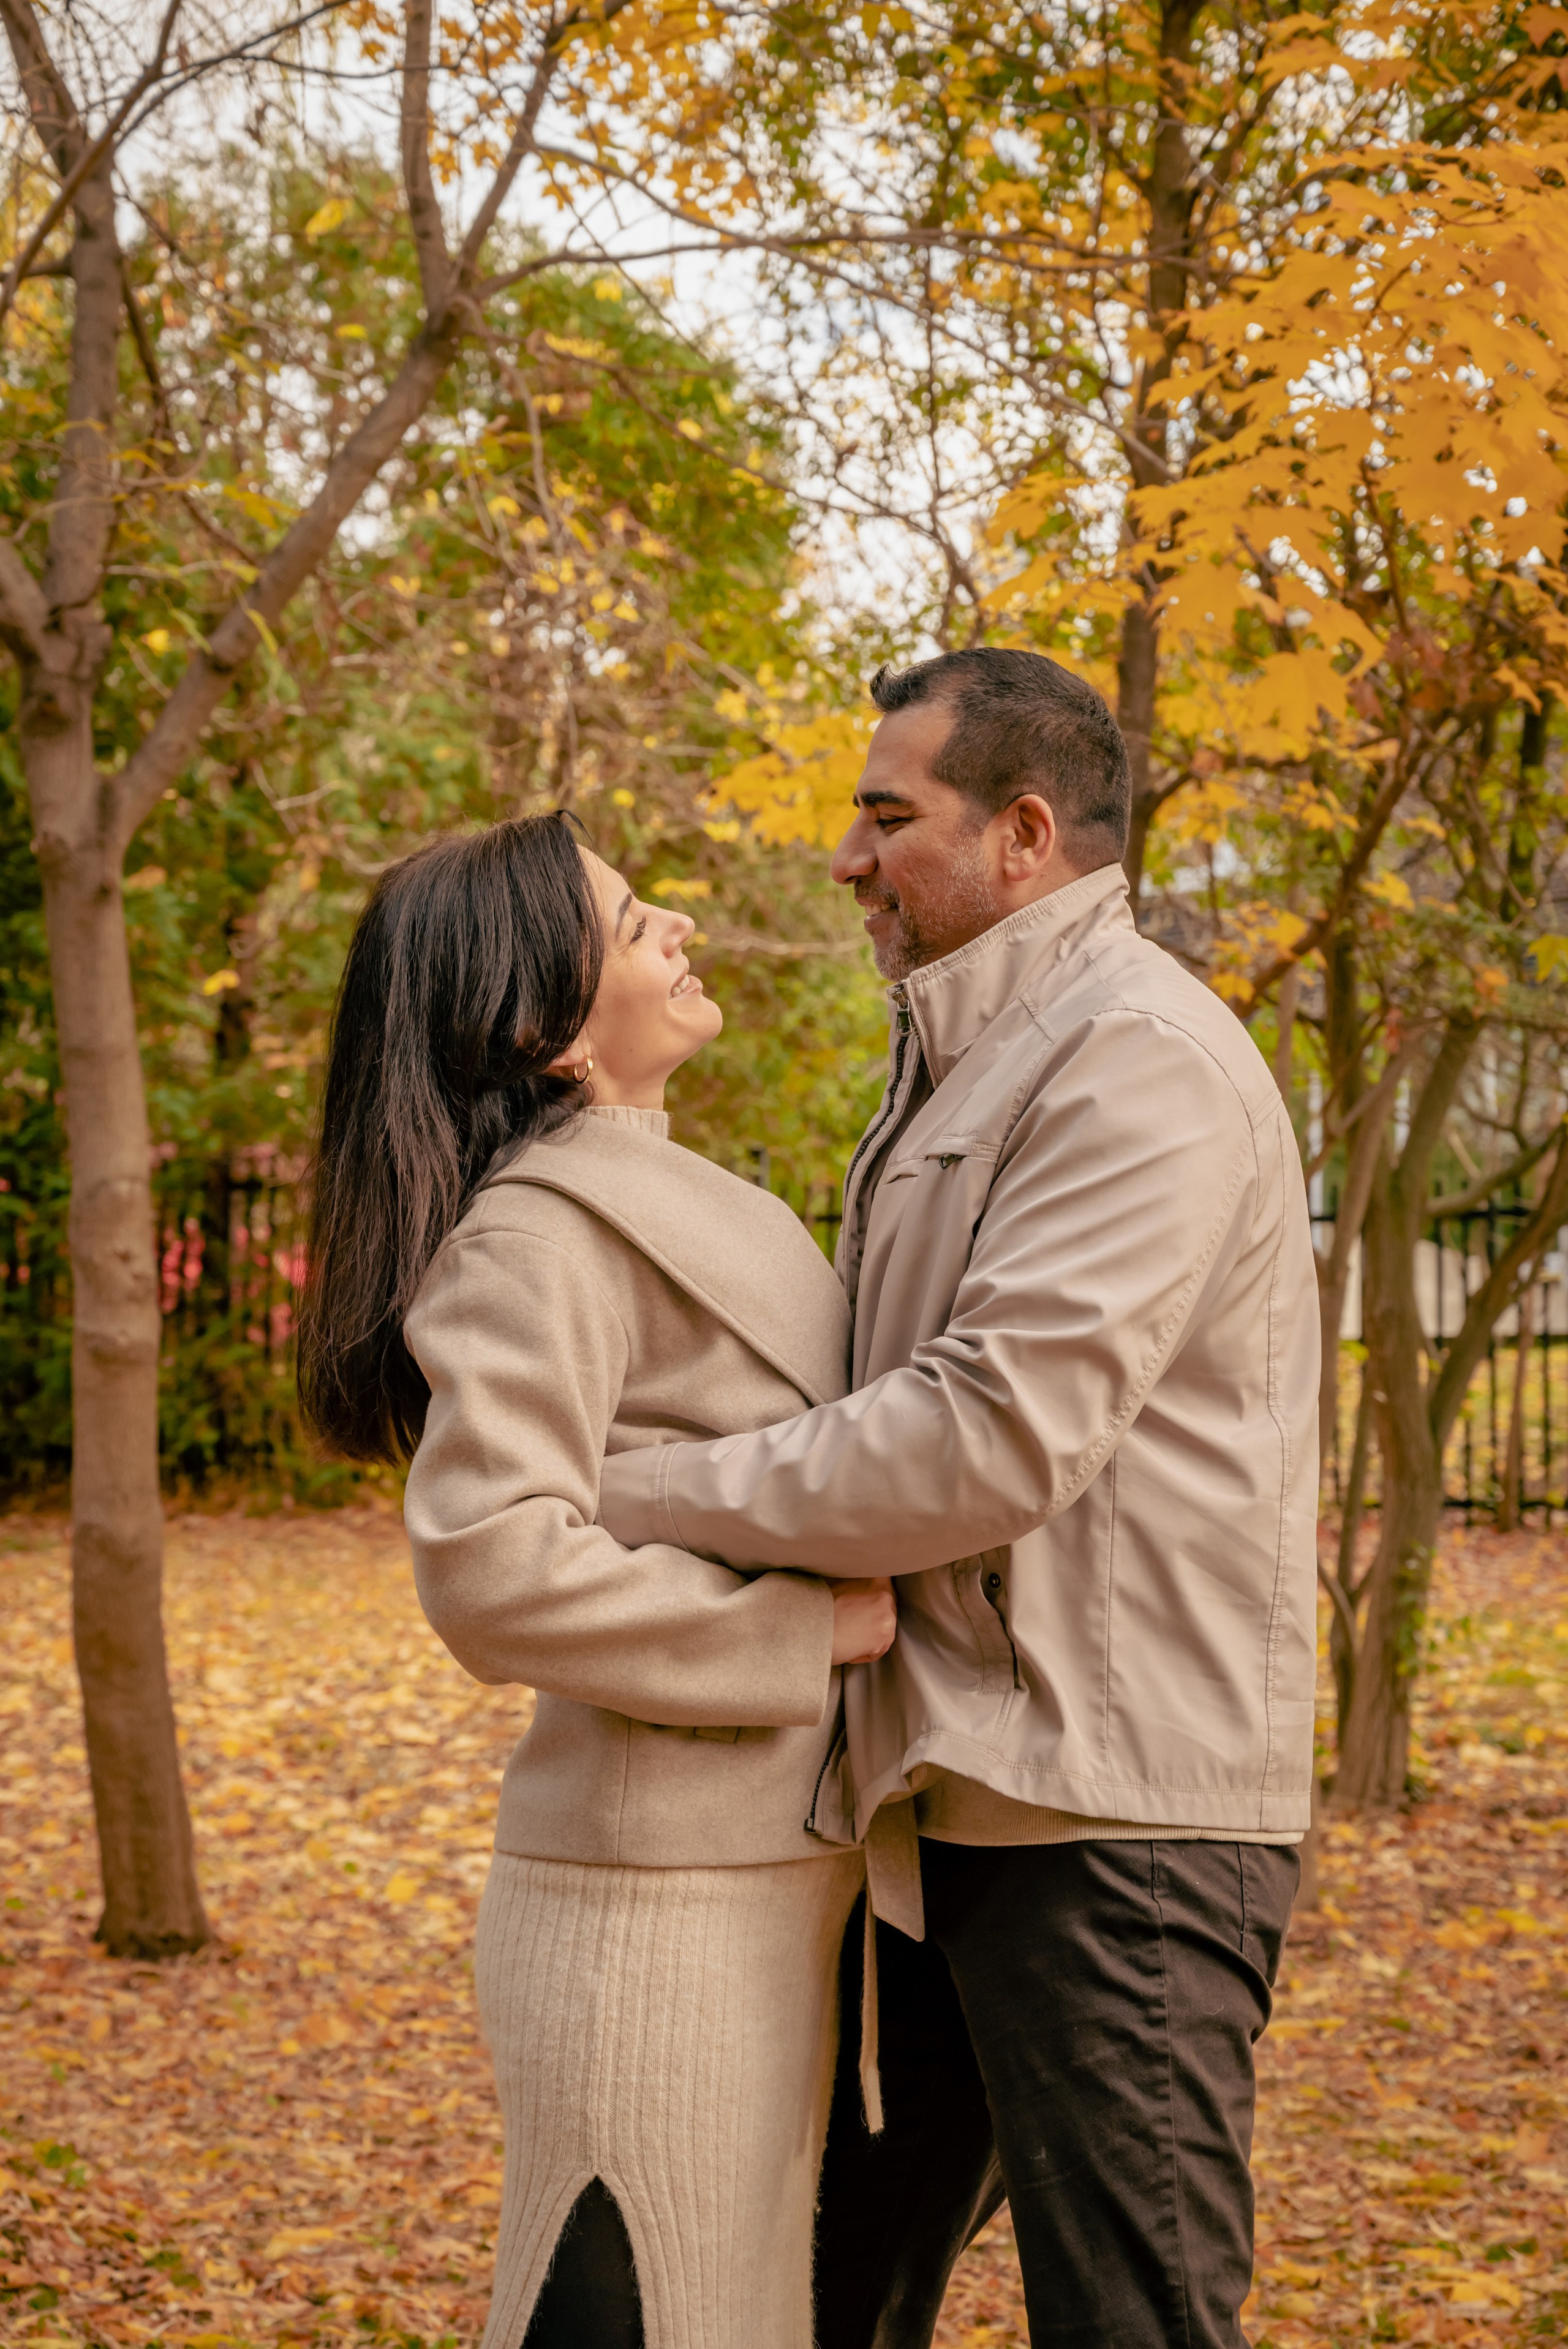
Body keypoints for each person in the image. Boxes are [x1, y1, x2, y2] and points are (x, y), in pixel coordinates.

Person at [597, 647, 1322, 2349]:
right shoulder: (976, 1060)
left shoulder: (1134, 1062)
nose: (846, 857)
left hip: (1113, 1818)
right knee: (821, 2293)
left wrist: (633, 1496)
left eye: (884, 815)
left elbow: (982, 1437)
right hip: (951, 1797)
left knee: (1129, 2318)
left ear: (1024, 832)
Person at [296, 813, 895, 2349]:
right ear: (547, 1032)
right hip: (647, 1904)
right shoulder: (533, 1236)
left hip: (759, 1879)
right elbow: (493, 1566)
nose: (680, 925)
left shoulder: (683, 1198)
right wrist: (793, 1629)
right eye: (635, 926)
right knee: (630, 2312)